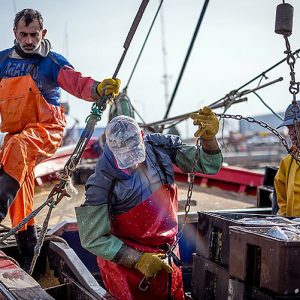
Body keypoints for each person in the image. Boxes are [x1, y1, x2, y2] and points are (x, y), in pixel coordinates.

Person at [0, 8, 120, 273]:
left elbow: (75, 82)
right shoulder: (2, 63)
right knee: (19, 186)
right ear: (15, 33)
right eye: (24, 34)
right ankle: (29, 247)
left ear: (42, 33)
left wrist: (98, 88)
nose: (29, 40)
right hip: (15, 136)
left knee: (17, 148)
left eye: (34, 35)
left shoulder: (51, 62)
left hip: (46, 129)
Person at [76, 107, 223, 300]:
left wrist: (209, 139)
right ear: (112, 150)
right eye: (125, 158)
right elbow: (92, 238)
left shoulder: (160, 147)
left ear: (142, 137)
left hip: (167, 253)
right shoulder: (101, 182)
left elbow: (209, 164)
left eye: (136, 154)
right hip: (125, 267)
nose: (133, 163)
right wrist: (138, 260)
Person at [274, 101, 300, 216]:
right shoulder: (287, 162)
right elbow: (282, 201)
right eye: (289, 128)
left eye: (294, 127)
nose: (290, 133)